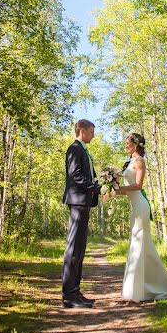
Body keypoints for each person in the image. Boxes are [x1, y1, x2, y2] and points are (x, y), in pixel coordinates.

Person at [113, 132, 167, 303]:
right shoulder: (130, 162)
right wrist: (111, 190)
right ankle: (138, 287)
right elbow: (127, 189)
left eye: (127, 142)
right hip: (134, 207)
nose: (125, 145)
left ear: (135, 144)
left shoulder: (140, 161)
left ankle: (144, 289)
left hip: (141, 206)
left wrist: (119, 190)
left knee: (140, 243)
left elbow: (138, 186)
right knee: (137, 244)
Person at [62, 119, 103, 309]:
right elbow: (75, 175)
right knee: (74, 248)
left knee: (80, 248)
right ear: (82, 130)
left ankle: (75, 291)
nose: (94, 135)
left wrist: (101, 184)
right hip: (77, 201)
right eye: (92, 131)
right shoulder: (74, 149)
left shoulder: (83, 150)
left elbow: (86, 175)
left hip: (84, 202)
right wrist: (96, 187)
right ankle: (69, 295)